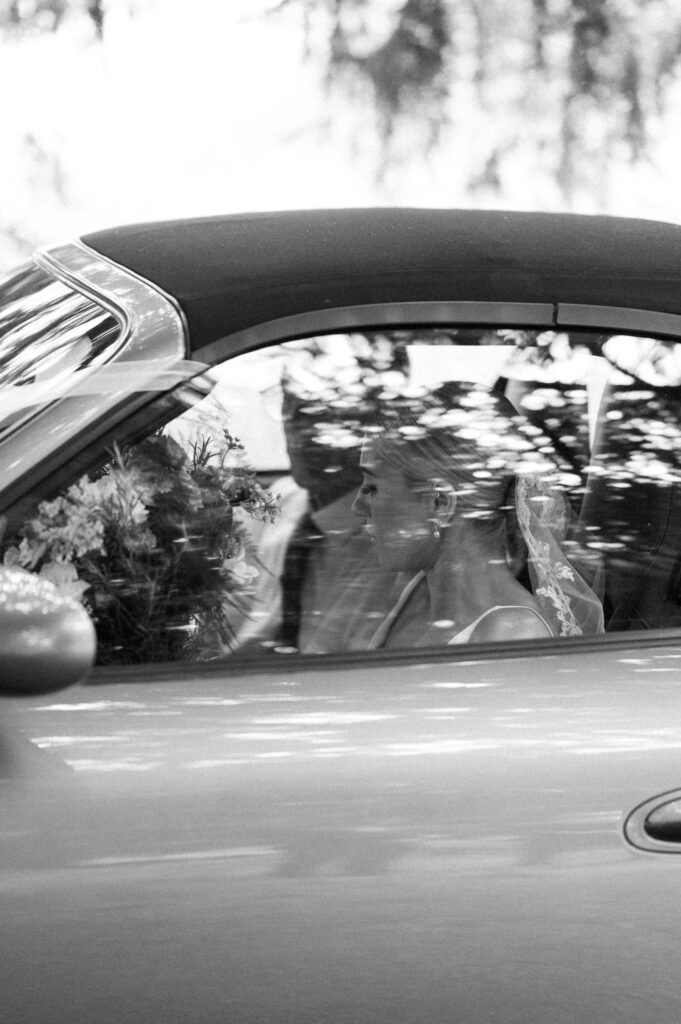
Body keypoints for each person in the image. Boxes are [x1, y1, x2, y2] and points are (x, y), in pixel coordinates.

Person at [351, 381, 603, 649]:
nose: (356, 506)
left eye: (372, 488)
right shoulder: (415, 590)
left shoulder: (513, 635)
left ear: (440, 504)